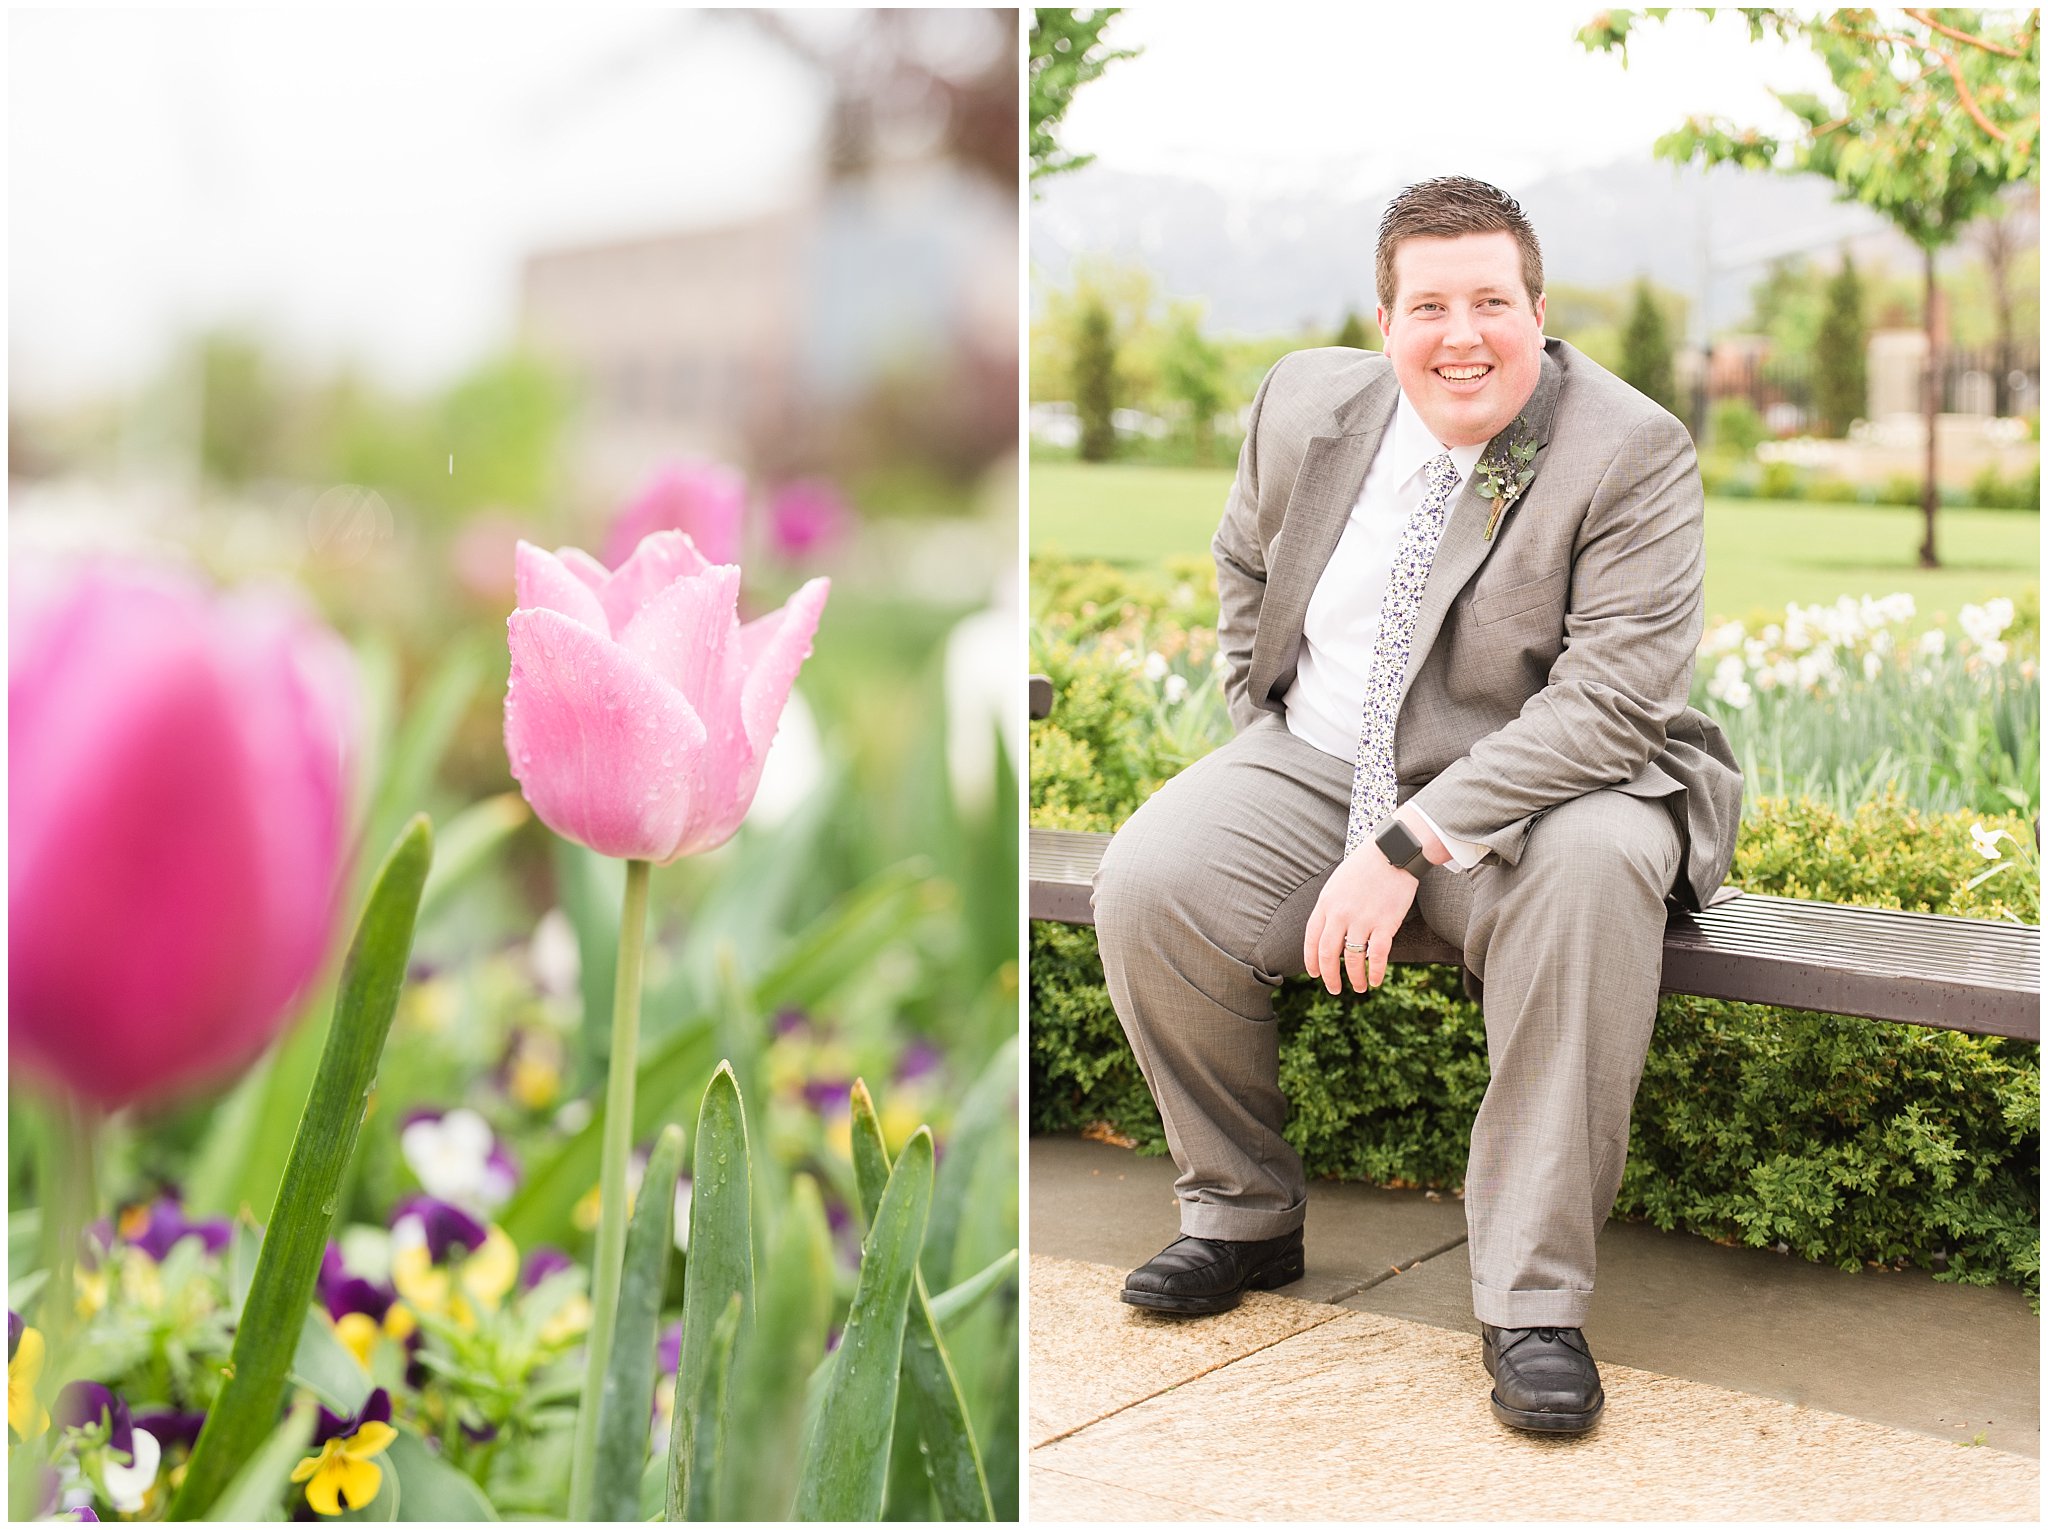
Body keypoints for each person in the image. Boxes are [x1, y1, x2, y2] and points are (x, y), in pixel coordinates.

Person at [1091, 176, 1742, 1434]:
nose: (1461, 334)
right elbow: (1243, 559)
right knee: (1149, 879)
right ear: (1383, 321)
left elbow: (1608, 704)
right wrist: (1259, 720)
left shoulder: (1629, 449)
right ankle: (1239, 1214)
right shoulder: (1301, 401)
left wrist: (1407, 839)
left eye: (1490, 302)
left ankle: (1530, 1302)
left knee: (1594, 871)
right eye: (1428, 305)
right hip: (1323, 752)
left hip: (1553, 783)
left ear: (1537, 314)